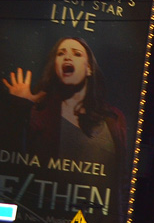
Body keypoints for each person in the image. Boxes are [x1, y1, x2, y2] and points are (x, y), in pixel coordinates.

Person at [6, 36, 127, 169]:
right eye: (61, 53)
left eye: (76, 54)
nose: (67, 57)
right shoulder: (39, 114)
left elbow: (123, 172)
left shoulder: (113, 118)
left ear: (89, 69)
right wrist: (20, 106)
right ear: (55, 67)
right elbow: (13, 154)